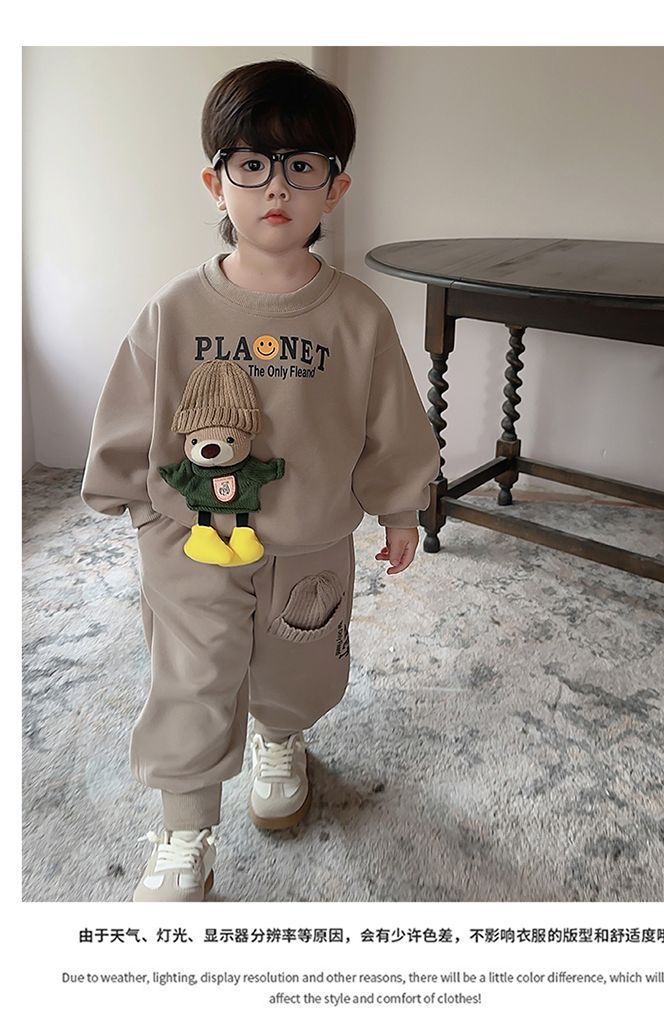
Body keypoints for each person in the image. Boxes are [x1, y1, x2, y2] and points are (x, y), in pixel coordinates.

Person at [80, 59, 440, 902]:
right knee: (192, 676)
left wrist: (400, 507)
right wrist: (138, 505)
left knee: (298, 667)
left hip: (308, 542)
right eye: (251, 164)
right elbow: (130, 406)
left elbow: (392, 419)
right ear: (217, 182)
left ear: (334, 188)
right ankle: (185, 829)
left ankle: (281, 735)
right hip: (191, 539)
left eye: (301, 165)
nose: (276, 186)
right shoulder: (175, 307)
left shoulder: (356, 314)